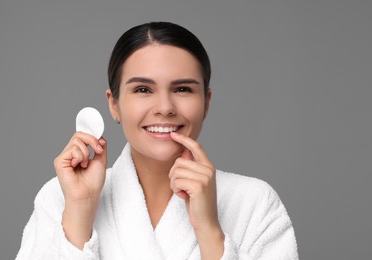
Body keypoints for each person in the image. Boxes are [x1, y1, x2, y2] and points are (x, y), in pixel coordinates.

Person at [16, 21, 298, 259]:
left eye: (183, 89)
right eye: (142, 89)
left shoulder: (255, 202)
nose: (165, 107)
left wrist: (209, 230)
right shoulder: (60, 197)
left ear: (206, 102)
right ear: (114, 104)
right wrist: (79, 210)